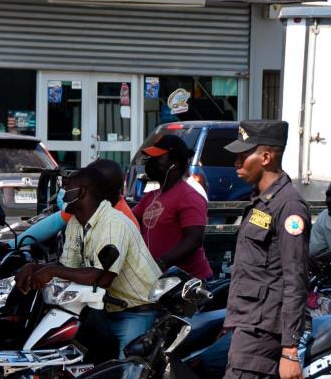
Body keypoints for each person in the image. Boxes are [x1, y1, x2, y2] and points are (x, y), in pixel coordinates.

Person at [207, 120, 308, 379]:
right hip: (251, 323)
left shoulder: (288, 206)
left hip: (263, 332)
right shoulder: (262, 202)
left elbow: (295, 279)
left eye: (243, 156)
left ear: (266, 157)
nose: (236, 163)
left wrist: (290, 351)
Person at [15, 167, 160, 358]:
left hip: (136, 311)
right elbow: (69, 270)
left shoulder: (113, 223)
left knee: (128, 377)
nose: (63, 193)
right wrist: (35, 268)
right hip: (105, 309)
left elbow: (102, 277)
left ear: (81, 192)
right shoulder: (76, 222)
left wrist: (51, 270)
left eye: (67, 188)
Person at [132, 135, 213, 279]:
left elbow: (193, 239)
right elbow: (129, 223)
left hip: (189, 282)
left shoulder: (189, 196)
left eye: (157, 158)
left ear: (174, 163)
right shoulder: (150, 197)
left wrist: (161, 263)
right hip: (162, 280)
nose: (151, 162)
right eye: (150, 158)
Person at [16, 158, 139, 245]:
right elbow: (52, 224)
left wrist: (51, 271)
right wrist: (12, 245)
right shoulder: (85, 209)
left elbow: (100, 275)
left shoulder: (120, 223)